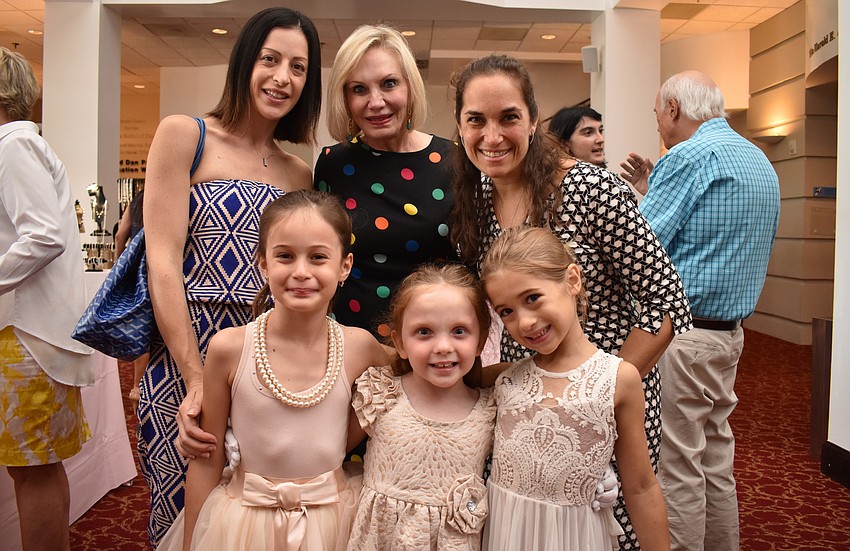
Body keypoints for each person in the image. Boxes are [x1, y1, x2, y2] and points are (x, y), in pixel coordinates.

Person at [450, 53, 691, 550]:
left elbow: (664, 297)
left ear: (534, 120)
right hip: (528, 398)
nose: (492, 136)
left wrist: (601, 392)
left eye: (508, 118)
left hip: (608, 390)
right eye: (476, 120)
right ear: (459, 127)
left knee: (609, 526)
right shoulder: (475, 198)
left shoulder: (588, 186)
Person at [139, 7, 322, 545]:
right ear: (245, 62)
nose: (282, 77)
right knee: (183, 517)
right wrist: (195, 377)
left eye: (298, 67)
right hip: (185, 355)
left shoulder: (299, 172)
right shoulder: (184, 135)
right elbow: (163, 264)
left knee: (259, 517)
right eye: (270, 59)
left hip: (269, 363)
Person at [156, 190, 387, 551]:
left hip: (332, 525)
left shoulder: (360, 347)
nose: (300, 272)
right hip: (243, 525)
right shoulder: (229, 348)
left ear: (344, 266)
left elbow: (411, 377)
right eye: (284, 256)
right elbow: (207, 458)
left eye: (318, 257)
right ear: (263, 264)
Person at [620, 70, 780, 551]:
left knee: (677, 463)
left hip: (683, 339)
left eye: (657, 116)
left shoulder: (688, 156)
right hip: (729, 334)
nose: (659, 128)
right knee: (714, 456)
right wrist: (655, 189)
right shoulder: (757, 158)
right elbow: (709, 236)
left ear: (673, 107)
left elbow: (639, 246)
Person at [480, 226, 670, 551]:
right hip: (505, 533)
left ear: (572, 281)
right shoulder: (504, 379)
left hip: (575, 538)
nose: (524, 322)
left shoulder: (618, 379)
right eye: (507, 312)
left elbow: (640, 486)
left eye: (532, 298)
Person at [0, 47, 94, 551]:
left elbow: (42, 236)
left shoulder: (13, 143)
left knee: (31, 472)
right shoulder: (18, 143)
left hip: (26, 335)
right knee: (36, 469)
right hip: (29, 334)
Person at [314, 24, 456, 339]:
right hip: (352, 344)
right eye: (359, 89)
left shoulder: (455, 160)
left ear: (410, 87)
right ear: (345, 98)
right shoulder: (332, 165)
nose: (376, 102)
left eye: (388, 84)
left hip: (438, 346)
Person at [348, 263, 497, 550]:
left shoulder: (490, 410)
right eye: (424, 332)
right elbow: (332, 452)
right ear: (400, 343)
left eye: (459, 331)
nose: (442, 346)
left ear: (481, 341)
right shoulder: (381, 394)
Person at [113, 189, 147, 403]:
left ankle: (136, 385)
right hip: (156, 266)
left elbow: (120, 234)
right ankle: (138, 386)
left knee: (141, 325)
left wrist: (119, 263)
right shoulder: (169, 193)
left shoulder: (136, 201)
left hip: (136, 268)